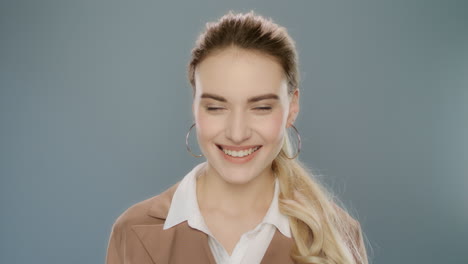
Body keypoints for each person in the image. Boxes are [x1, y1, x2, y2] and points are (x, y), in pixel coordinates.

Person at [106, 11, 368, 264]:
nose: (237, 133)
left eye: (261, 107)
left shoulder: (338, 238)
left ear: (292, 108)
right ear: (195, 106)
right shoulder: (132, 232)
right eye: (216, 107)